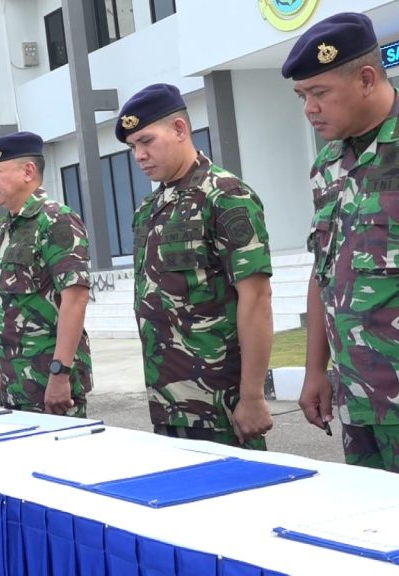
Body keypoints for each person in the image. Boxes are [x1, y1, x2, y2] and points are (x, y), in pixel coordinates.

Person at [283, 12, 399, 480]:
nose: (308, 109)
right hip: (359, 406)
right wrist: (315, 369)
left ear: (366, 78)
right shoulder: (328, 165)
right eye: (302, 96)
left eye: (319, 92)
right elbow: (323, 271)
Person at [115, 83, 275, 448]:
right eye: (133, 147)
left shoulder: (225, 195)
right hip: (168, 403)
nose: (139, 155)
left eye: (146, 141)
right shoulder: (149, 210)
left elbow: (257, 298)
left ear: (180, 130)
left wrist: (252, 397)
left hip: (221, 405)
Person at [0, 131, 93, 416]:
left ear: (28, 171)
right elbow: (4, 308)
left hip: (47, 383)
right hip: (13, 383)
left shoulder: (56, 220)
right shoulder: (2, 232)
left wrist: (60, 373)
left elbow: (76, 298)